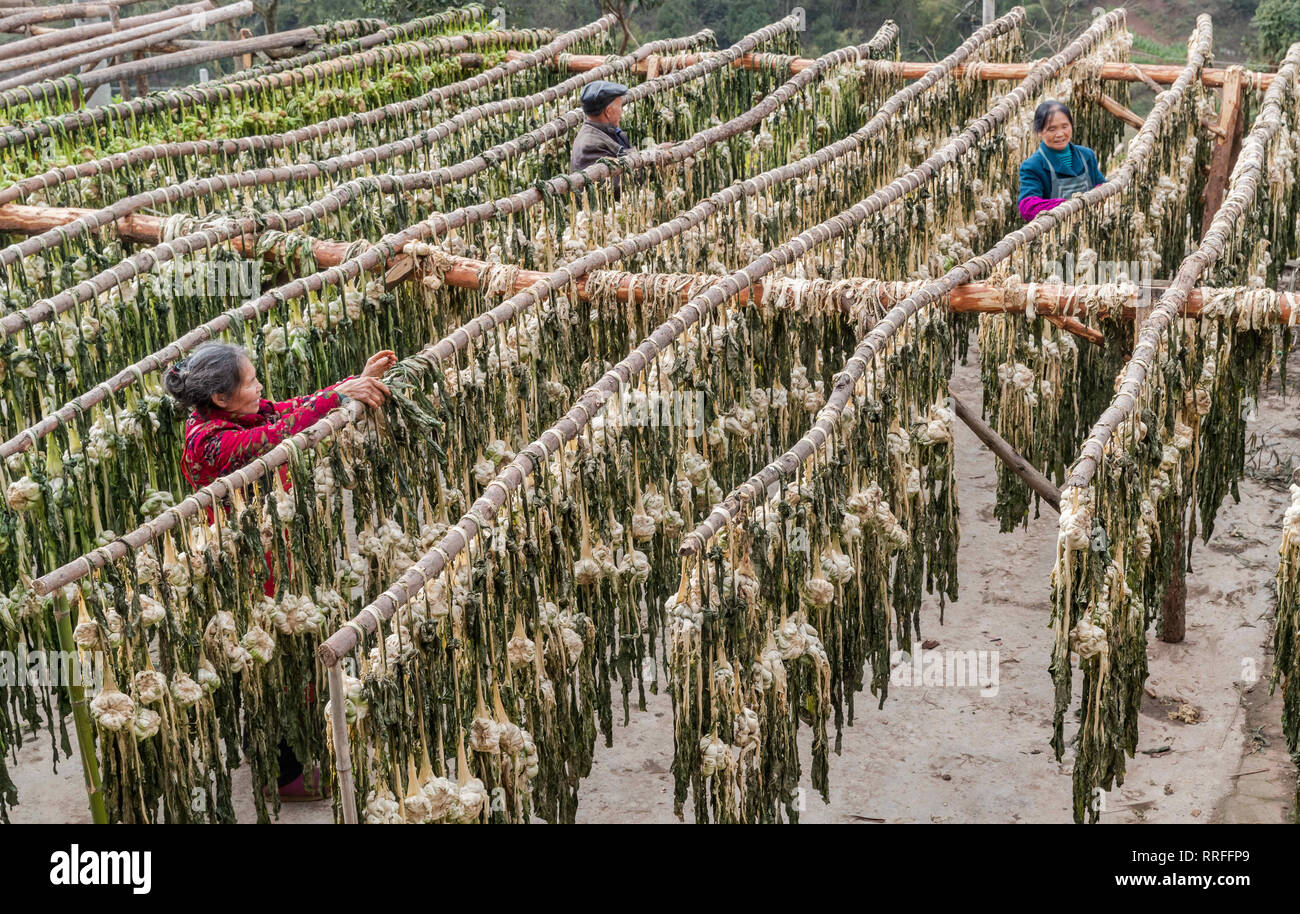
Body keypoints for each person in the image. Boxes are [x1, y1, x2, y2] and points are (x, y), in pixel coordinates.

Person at [163, 341, 395, 800]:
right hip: (246, 565)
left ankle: (293, 750)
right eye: (251, 382)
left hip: (275, 551)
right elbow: (277, 435)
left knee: (296, 654)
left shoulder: (236, 413)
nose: (261, 387)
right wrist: (344, 396)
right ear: (221, 398)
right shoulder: (207, 440)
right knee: (273, 664)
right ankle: (282, 773)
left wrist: (350, 383)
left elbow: (287, 408)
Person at [1017, 100, 1106, 221]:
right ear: (1039, 132)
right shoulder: (1033, 165)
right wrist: (1070, 206)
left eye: (1065, 126)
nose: (1060, 134)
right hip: (1054, 234)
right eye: (1051, 129)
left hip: (1090, 228)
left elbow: (1102, 186)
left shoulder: (1086, 155)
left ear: (1071, 125)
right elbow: (1027, 207)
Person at [570, 79, 634, 173]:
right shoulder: (590, 145)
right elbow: (618, 181)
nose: (621, 111)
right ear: (608, 112)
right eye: (620, 106)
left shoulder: (607, 131)